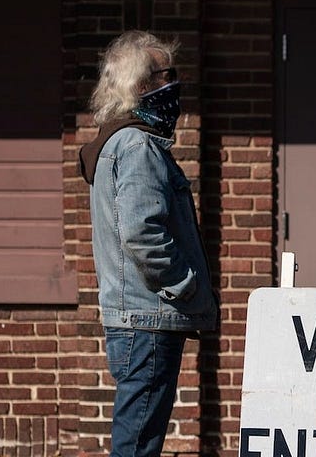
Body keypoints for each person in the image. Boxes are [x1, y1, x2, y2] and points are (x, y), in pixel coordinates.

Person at [79, 30, 219, 457]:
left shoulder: (119, 143)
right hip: (148, 319)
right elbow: (142, 233)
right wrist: (184, 284)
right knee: (138, 443)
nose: (175, 86)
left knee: (137, 437)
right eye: (167, 75)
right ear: (142, 84)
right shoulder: (137, 145)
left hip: (138, 317)